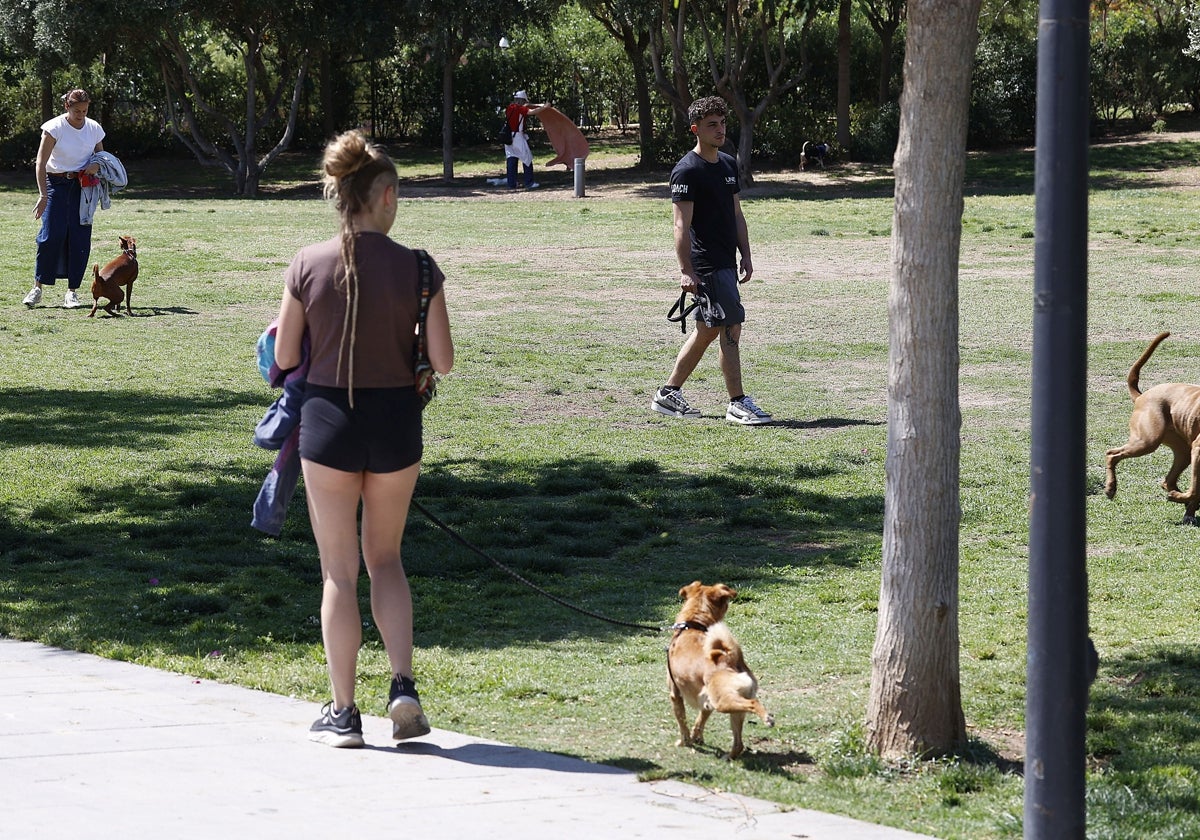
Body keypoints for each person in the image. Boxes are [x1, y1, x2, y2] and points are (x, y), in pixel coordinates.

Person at [274, 130, 455, 748]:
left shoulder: (306, 262)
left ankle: (343, 712)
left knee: (338, 571)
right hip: (397, 424)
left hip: (327, 424)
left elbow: (286, 353)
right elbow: (444, 360)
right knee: (386, 560)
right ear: (384, 195)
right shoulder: (420, 267)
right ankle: (402, 687)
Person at [651, 96, 773, 426]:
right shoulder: (687, 170)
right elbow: (680, 224)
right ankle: (737, 402)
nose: (720, 130)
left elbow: (736, 214)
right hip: (706, 265)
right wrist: (686, 270)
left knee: (708, 330)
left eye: (722, 123)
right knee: (731, 325)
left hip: (727, 261)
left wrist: (745, 254)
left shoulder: (729, 164)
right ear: (695, 130)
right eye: (711, 125)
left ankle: (668, 393)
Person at [23, 88, 105, 309]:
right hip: (55, 183)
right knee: (51, 234)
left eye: (85, 110)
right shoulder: (54, 128)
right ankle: (37, 288)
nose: (81, 115)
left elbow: (101, 156)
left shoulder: (94, 128)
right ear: (67, 107)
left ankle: (72, 292)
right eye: (77, 110)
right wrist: (43, 195)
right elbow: (41, 163)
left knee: (79, 238)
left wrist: (96, 165)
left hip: (82, 186)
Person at [504, 90, 547, 189]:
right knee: (527, 159)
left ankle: (512, 184)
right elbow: (532, 112)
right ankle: (529, 182)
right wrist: (545, 107)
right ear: (523, 100)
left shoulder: (509, 108)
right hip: (518, 136)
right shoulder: (520, 108)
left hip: (508, 137)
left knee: (511, 160)